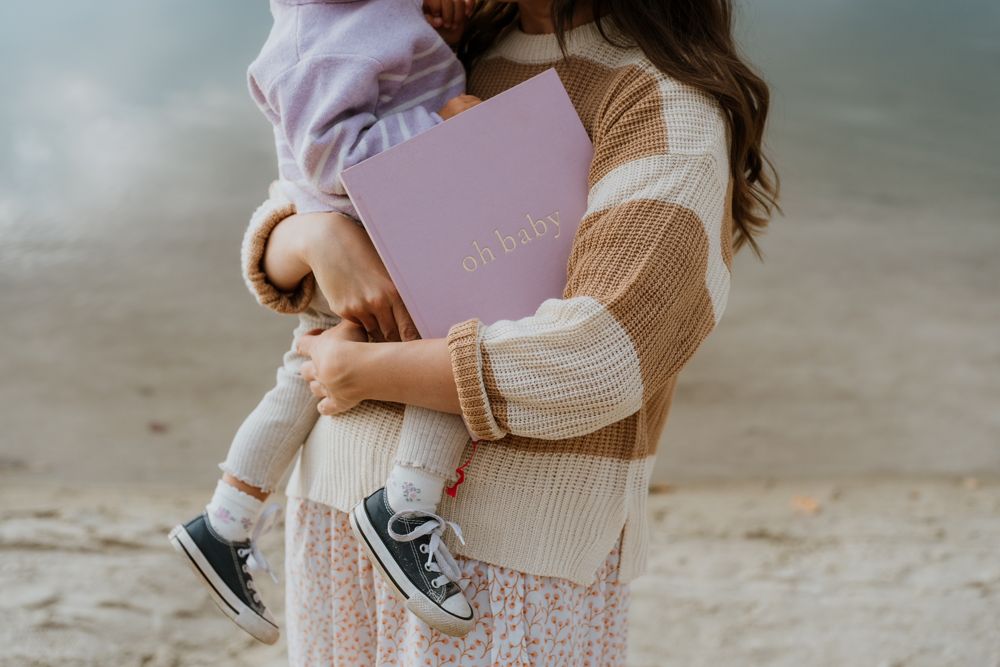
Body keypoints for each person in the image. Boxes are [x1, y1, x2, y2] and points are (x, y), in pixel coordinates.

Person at [249, 0, 779, 662]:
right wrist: (313, 234)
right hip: (331, 507)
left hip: (499, 559)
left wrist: (359, 372)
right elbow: (307, 179)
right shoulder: (462, 41)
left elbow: (600, 358)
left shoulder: (658, 101)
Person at [168, 0, 492, 644]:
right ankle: (404, 510)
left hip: (377, 230)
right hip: (376, 235)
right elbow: (331, 159)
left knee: (300, 375)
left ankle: (226, 519)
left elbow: (396, 71)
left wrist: (440, 30)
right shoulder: (319, 41)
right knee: (456, 348)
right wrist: (444, 125)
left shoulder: (368, 15)